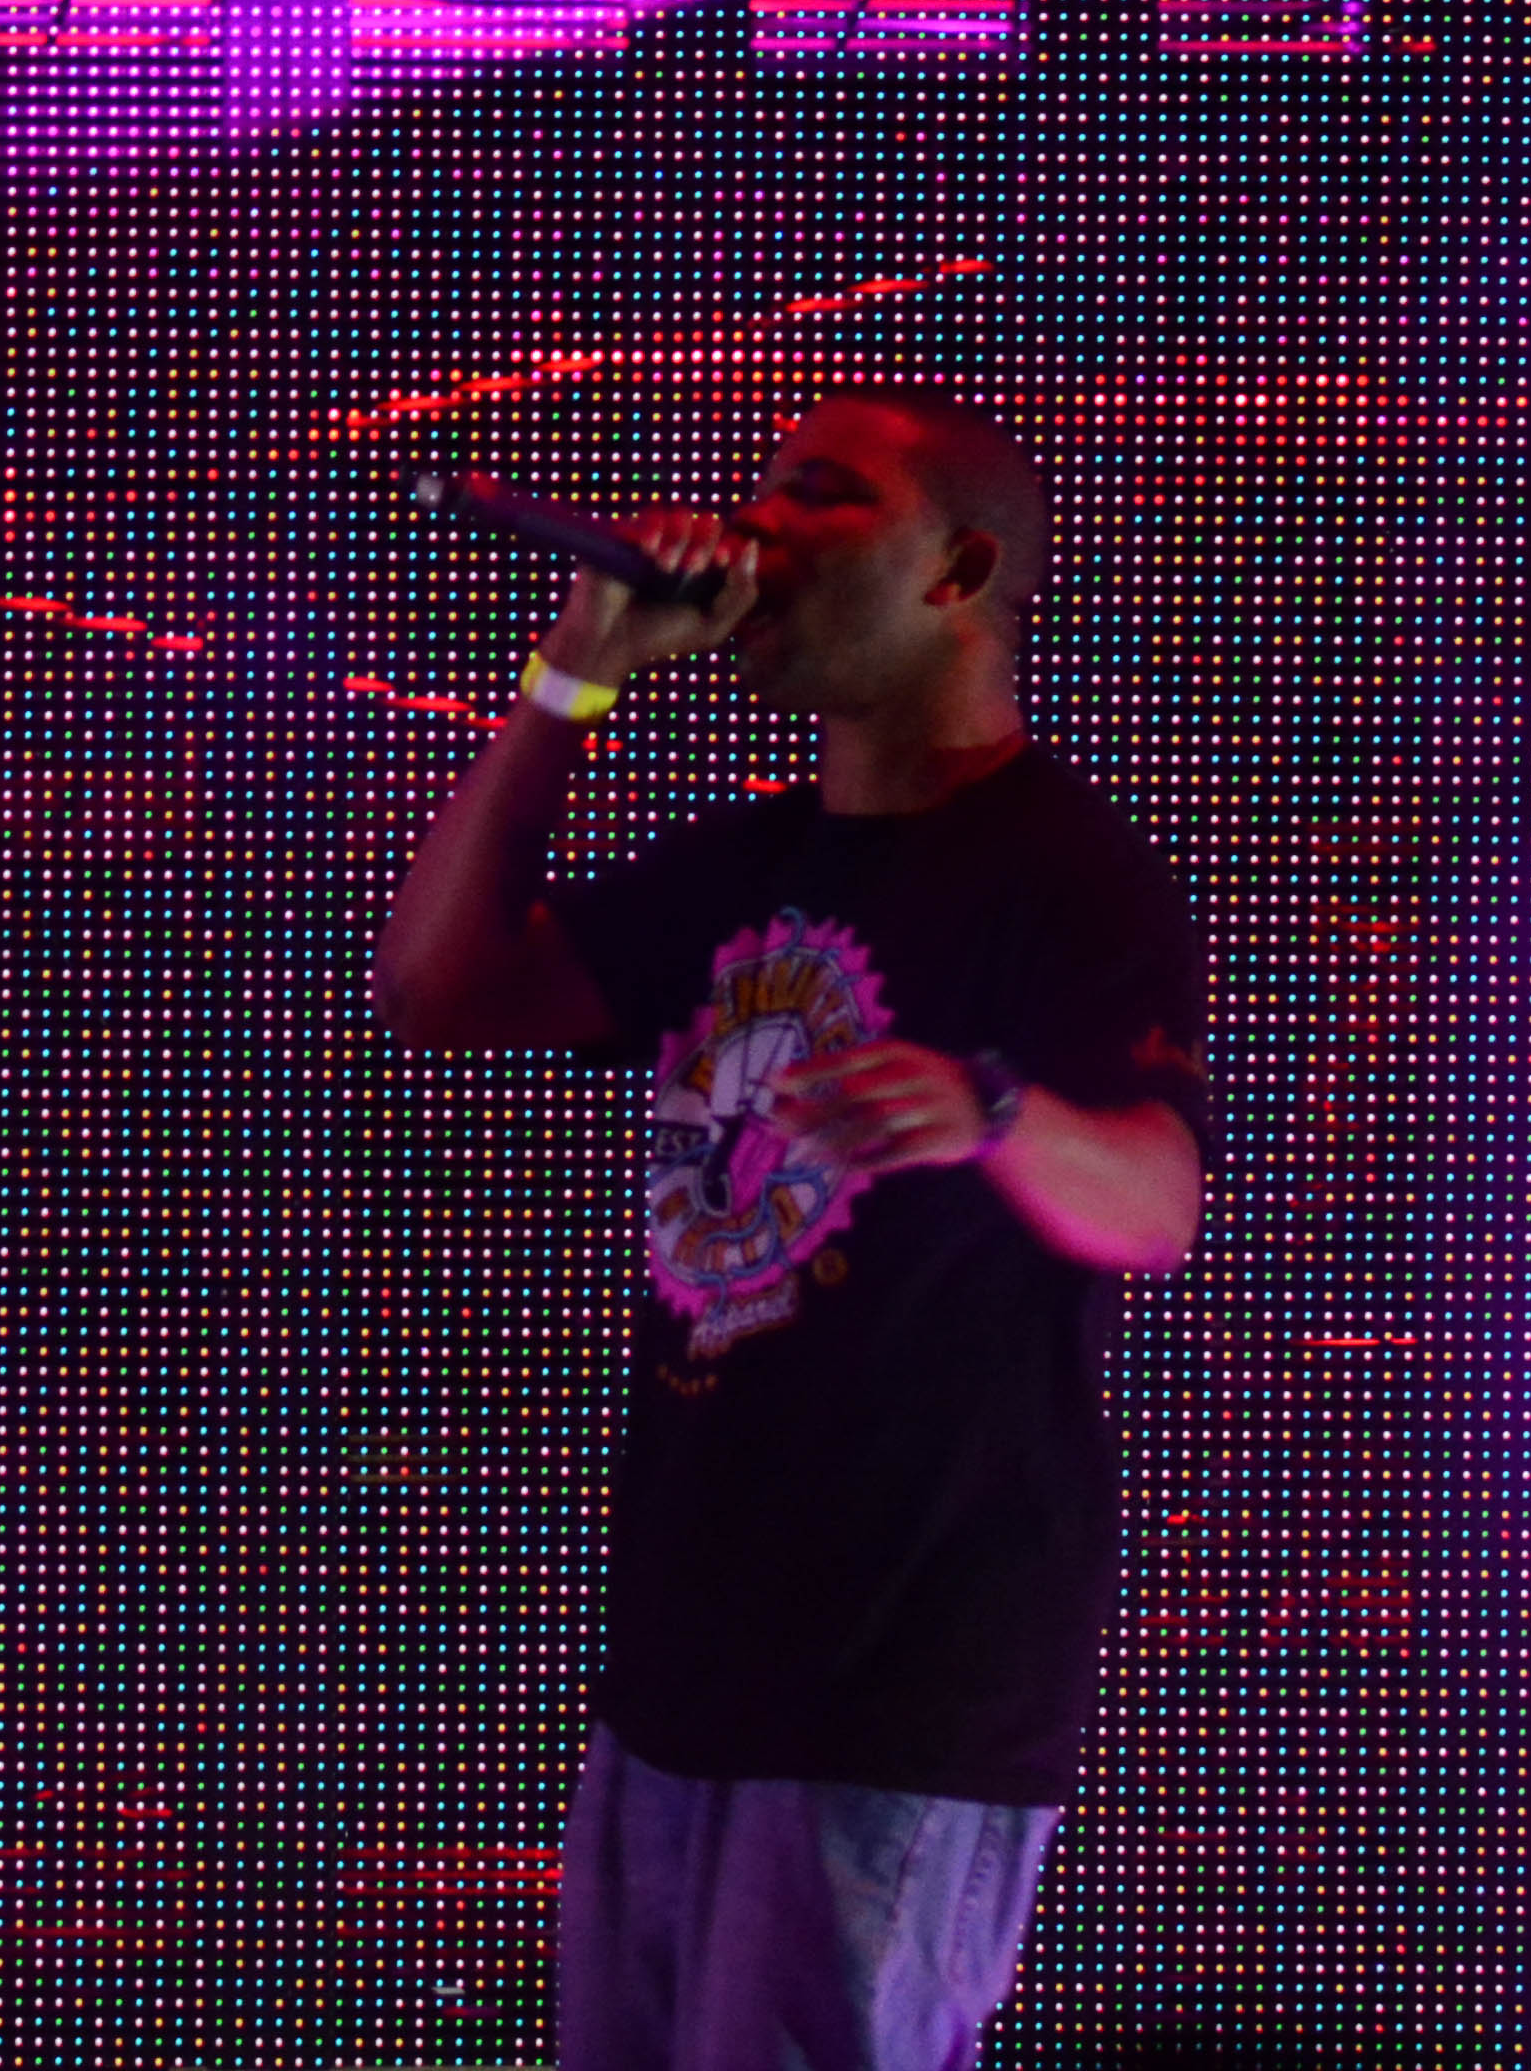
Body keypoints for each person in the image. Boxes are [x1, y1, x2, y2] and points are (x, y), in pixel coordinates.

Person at [376, 391, 1210, 2071]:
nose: (754, 528)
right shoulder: (744, 864)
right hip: (681, 1669)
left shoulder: (1070, 871)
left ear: (957, 570)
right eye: (757, 488)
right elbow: (443, 987)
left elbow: (1159, 1202)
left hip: (899, 1686)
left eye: (819, 494)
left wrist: (990, 1110)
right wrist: (569, 681)